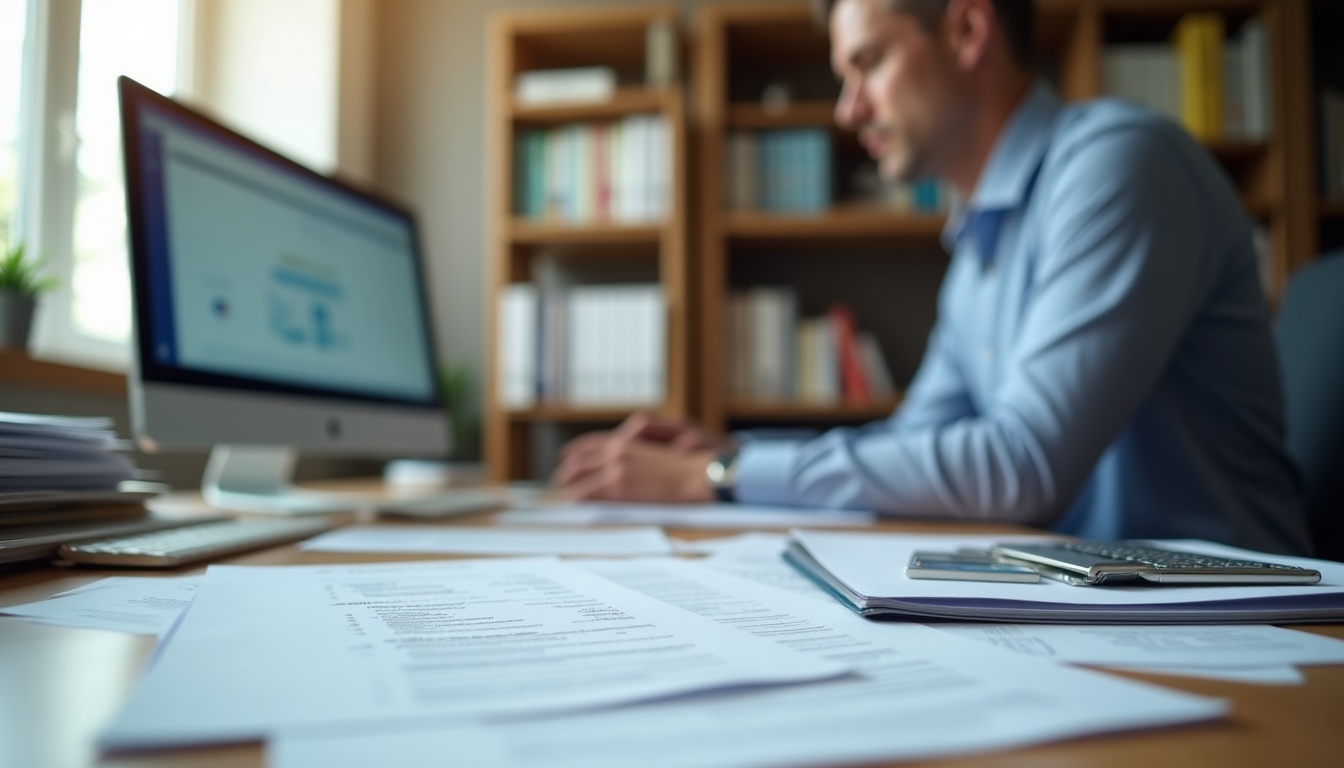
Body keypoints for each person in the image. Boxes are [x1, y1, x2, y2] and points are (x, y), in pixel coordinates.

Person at [552, 0, 1311, 555]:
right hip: (1094, 608)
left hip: (1235, 621)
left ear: (967, 29)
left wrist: (721, 475)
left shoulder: (1117, 165)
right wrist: (727, 452)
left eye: (868, 64)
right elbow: (917, 447)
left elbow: (1021, 466)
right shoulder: (980, 238)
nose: (850, 111)